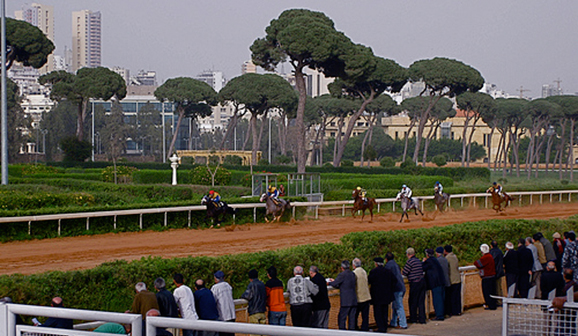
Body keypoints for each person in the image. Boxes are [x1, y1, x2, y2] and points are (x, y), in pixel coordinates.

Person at [368, 256, 397, 332]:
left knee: (378, 313)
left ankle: (380, 327)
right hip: (386, 296)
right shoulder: (388, 271)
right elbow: (394, 280)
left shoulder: (373, 272)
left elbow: (369, 281)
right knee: (385, 312)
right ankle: (384, 326)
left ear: (376, 264)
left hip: (377, 296)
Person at [328, 260, 357, 330]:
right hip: (353, 299)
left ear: (342, 268)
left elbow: (335, 284)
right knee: (352, 319)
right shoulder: (352, 274)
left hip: (346, 301)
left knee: (342, 318)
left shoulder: (342, 275)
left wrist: (329, 283)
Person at [402, 247, 426, 324]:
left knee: (412, 301)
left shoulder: (410, 262)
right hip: (422, 282)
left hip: (415, 283)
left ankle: (413, 318)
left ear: (408, 254)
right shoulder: (418, 261)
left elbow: (405, 272)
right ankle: (422, 319)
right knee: (421, 301)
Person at [385, 252, 407, 329]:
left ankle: (403, 324)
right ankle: (393, 322)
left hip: (396, 288)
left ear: (386, 259)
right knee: (396, 306)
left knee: (398, 306)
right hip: (402, 287)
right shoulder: (395, 264)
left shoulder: (388, 266)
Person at [211, 271, 236, 336]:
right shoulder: (228, 285)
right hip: (232, 315)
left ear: (216, 279)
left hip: (223, 316)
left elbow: (213, 300)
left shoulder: (215, 288)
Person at [422, 248, 445, 320]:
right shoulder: (435, 260)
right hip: (440, 282)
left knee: (437, 300)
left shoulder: (429, 261)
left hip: (435, 283)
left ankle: (439, 315)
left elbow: (422, 267)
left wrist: (423, 262)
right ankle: (441, 314)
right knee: (441, 299)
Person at [475, 244, 497, 310]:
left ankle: (490, 305)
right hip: (492, 276)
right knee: (492, 291)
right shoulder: (490, 256)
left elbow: (477, 263)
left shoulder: (485, 258)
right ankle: (492, 304)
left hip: (487, 277)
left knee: (487, 292)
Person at [352, 258, 371, 331]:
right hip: (366, 296)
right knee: (365, 316)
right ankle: (365, 329)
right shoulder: (364, 271)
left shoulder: (354, 273)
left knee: (355, 316)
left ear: (353, 265)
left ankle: (355, 329)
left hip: (359, 297)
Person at [444, 245, 462, 317]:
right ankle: (458, 310)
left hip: (452, 280)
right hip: (458, 278)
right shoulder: (455, 256)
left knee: (452, 297)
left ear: (445, 251)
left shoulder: (447, 258)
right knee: (457, 296)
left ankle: (453, 311)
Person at [435, 247, 451, 316]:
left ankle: (440, 314)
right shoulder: (445, 259)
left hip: (440, 281)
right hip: (446, 280)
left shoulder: (438, 260)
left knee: (439, 299)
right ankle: (446, 312)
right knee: (444, 298)